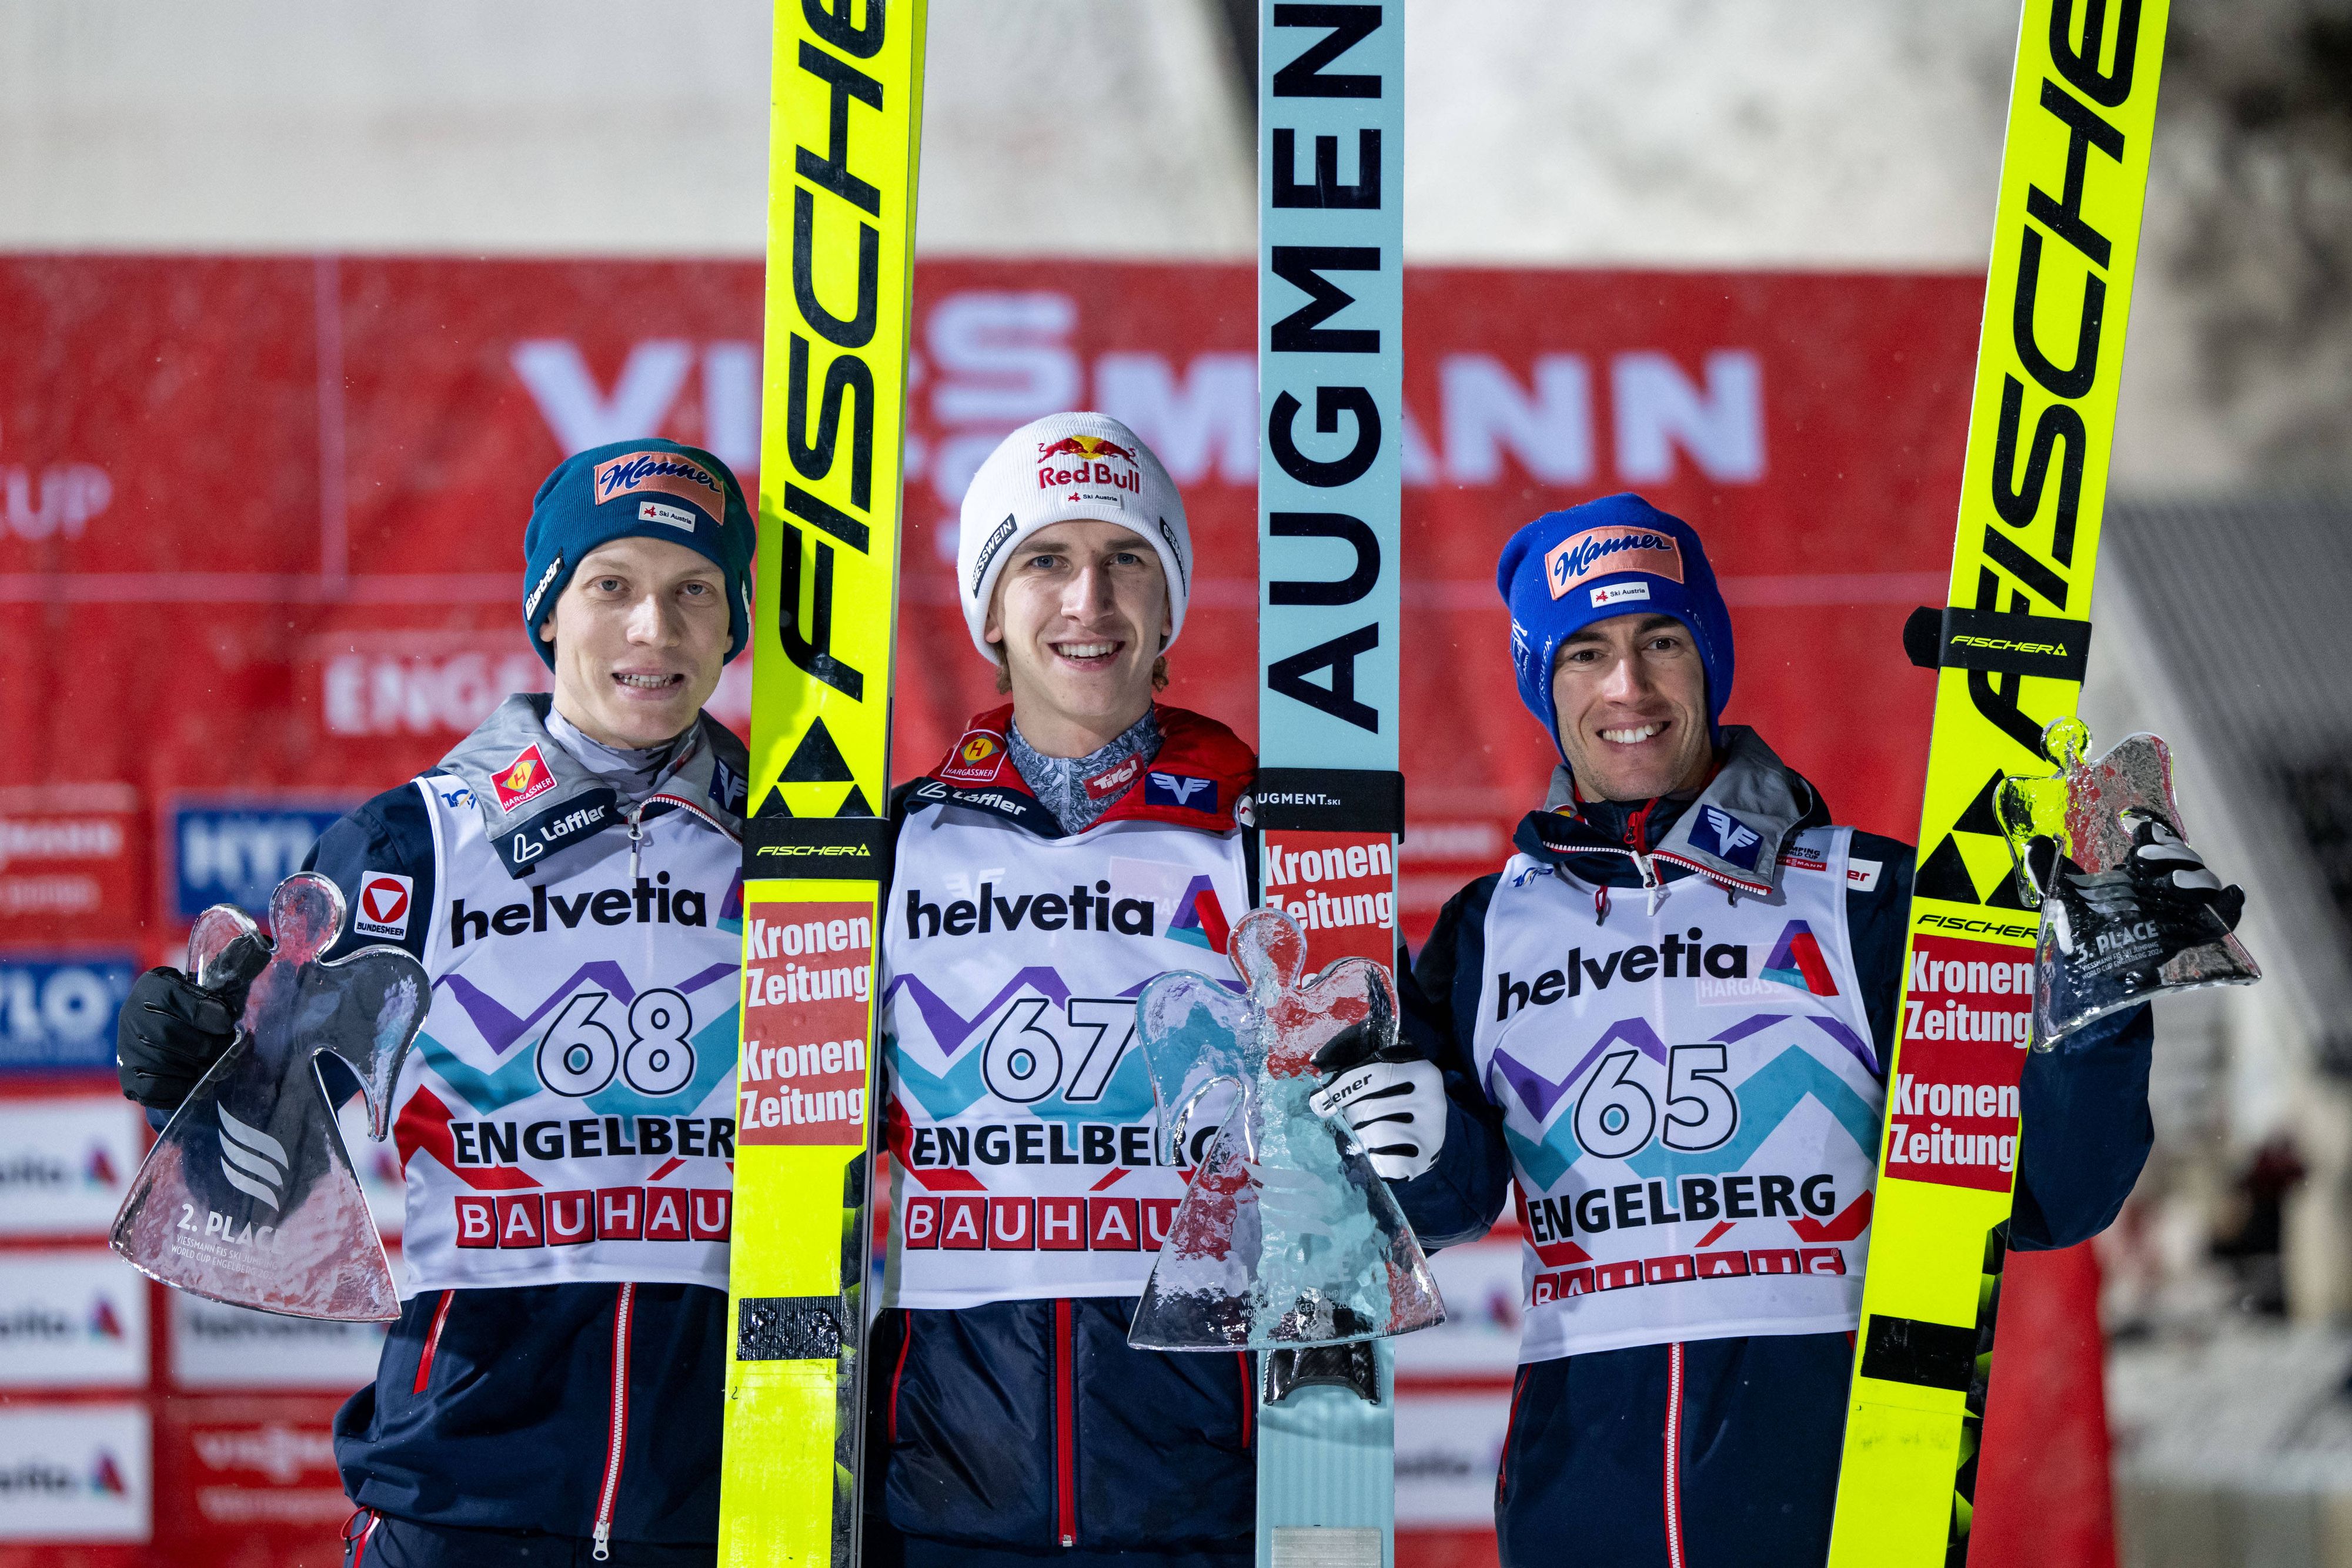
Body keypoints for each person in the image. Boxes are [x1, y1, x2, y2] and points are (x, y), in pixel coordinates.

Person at [1328, 493, 2243, 1568]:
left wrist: (2094, 1006)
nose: (1628, 687)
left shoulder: (1866, 897)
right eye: (1585, 653)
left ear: (1709, 658)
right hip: (1578, 1514)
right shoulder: (1489, 930)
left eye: (1660, 641)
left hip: (1838, 1506)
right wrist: (1414, 1146)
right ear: (1545, 681)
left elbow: (2049, 1189)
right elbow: (1441, 1208)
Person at [116, 437, 756, 1567]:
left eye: (692, 591)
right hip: (461, 1495)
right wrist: (185, 1077)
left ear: (733, 623)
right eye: (612, 586)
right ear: (548, 610)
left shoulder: (804, 848)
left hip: (732, 1507)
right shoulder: (411, 845)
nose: (654, 630)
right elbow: (252, 1175)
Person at [864, 413, 1264, 1568]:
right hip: (948, 1505)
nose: (1087, 596)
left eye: (1126, 557)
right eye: (1043, 558)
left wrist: (1407, 1130)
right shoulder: (900, 842)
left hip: (1205, 1503)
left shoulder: (1260, 836)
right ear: (989, 609)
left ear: (1167, 607)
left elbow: (1396, 1188)